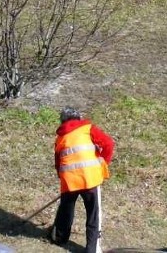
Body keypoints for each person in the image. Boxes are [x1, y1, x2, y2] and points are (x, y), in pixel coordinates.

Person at [49, 107, 114, 253]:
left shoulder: (60, 137)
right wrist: (104, 162)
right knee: (93, 214)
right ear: (78, 118)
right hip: (90, 178)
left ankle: (59, 237)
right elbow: (108, 144)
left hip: (69, 179)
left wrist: (64, 179)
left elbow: (58, 162)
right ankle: (92, 249)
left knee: (66, 208)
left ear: (62, 121)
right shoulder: (88, 129)